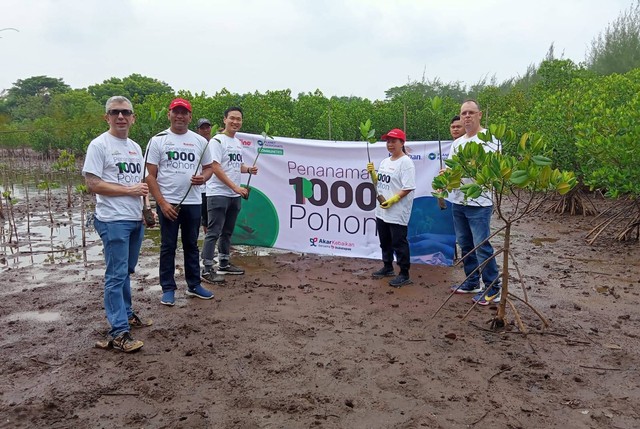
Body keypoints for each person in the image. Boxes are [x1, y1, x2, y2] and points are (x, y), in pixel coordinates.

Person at [82, 96, 150, 353]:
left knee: (127, 270)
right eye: (115, 112)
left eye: (125, 112)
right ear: (106, 117)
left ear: (133, 117)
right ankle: (119, 331)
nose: (120, 117)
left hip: (135, 219)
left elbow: (142, 183)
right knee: (115, 275)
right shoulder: (99, 145)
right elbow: (93, 184)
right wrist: (128, 189)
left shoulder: (134, 146)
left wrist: (147, 207)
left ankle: (128, 314)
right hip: (113, 220)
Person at [145, 98, 215, 306]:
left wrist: (204, 177)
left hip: (193, 201)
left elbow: (209, 167)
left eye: (184, 113)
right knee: (167, 245)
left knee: (191, 245)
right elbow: (150, 176)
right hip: (168, 202)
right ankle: (168, 288)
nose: (180, 116)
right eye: (176, 112)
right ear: (169, 114)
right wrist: (162, 203)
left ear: (190, 117)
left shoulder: (200, 142)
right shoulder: (158, 140)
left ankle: (194, 285)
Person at [445, 100, 502, 305]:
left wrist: (462, 169)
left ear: (480, 114)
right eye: (463, 113)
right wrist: (447, 176)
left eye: (470, 112)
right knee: (465, 244)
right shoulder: (457, 143)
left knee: (481, 245)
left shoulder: (489, 139)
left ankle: (493, 287)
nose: (467, 116)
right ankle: (472, 281)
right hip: (458, 201)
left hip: (480, 202)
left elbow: (490, 170)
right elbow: (452, 173)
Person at [201, 106, 258, 282]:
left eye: (238, 119)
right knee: (213, 232)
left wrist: (248, 169)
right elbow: (216, 167)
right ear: (225, 119)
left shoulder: (237, 143)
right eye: (232, 118)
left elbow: (234, 165)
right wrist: (235, 187)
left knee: (227, 231)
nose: (235, 122)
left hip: (234, 195)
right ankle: (207, 269)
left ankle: (224, 264)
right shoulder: (217, 141)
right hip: (218, 193)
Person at [366, 128, 416, 287]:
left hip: (397, 210)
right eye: (388, 141)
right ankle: (387, 267)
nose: (390, 144)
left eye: (394, 141)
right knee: (385, 241)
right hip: (381, 210)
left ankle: (404, 273)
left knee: (399, 243)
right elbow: (380, 182)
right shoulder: (385, 161)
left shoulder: (406, 162)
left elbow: (408, 187)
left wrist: (394, 199)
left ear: (402, 143)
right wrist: (373, 174)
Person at [195, 118, 213, 235]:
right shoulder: (196, 143)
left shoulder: (216, 143)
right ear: (198, 130)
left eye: (207, 127)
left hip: (214, 188)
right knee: (204, 220)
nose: (206, 130)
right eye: (202, 128)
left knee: (212, 219)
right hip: (201, 189)